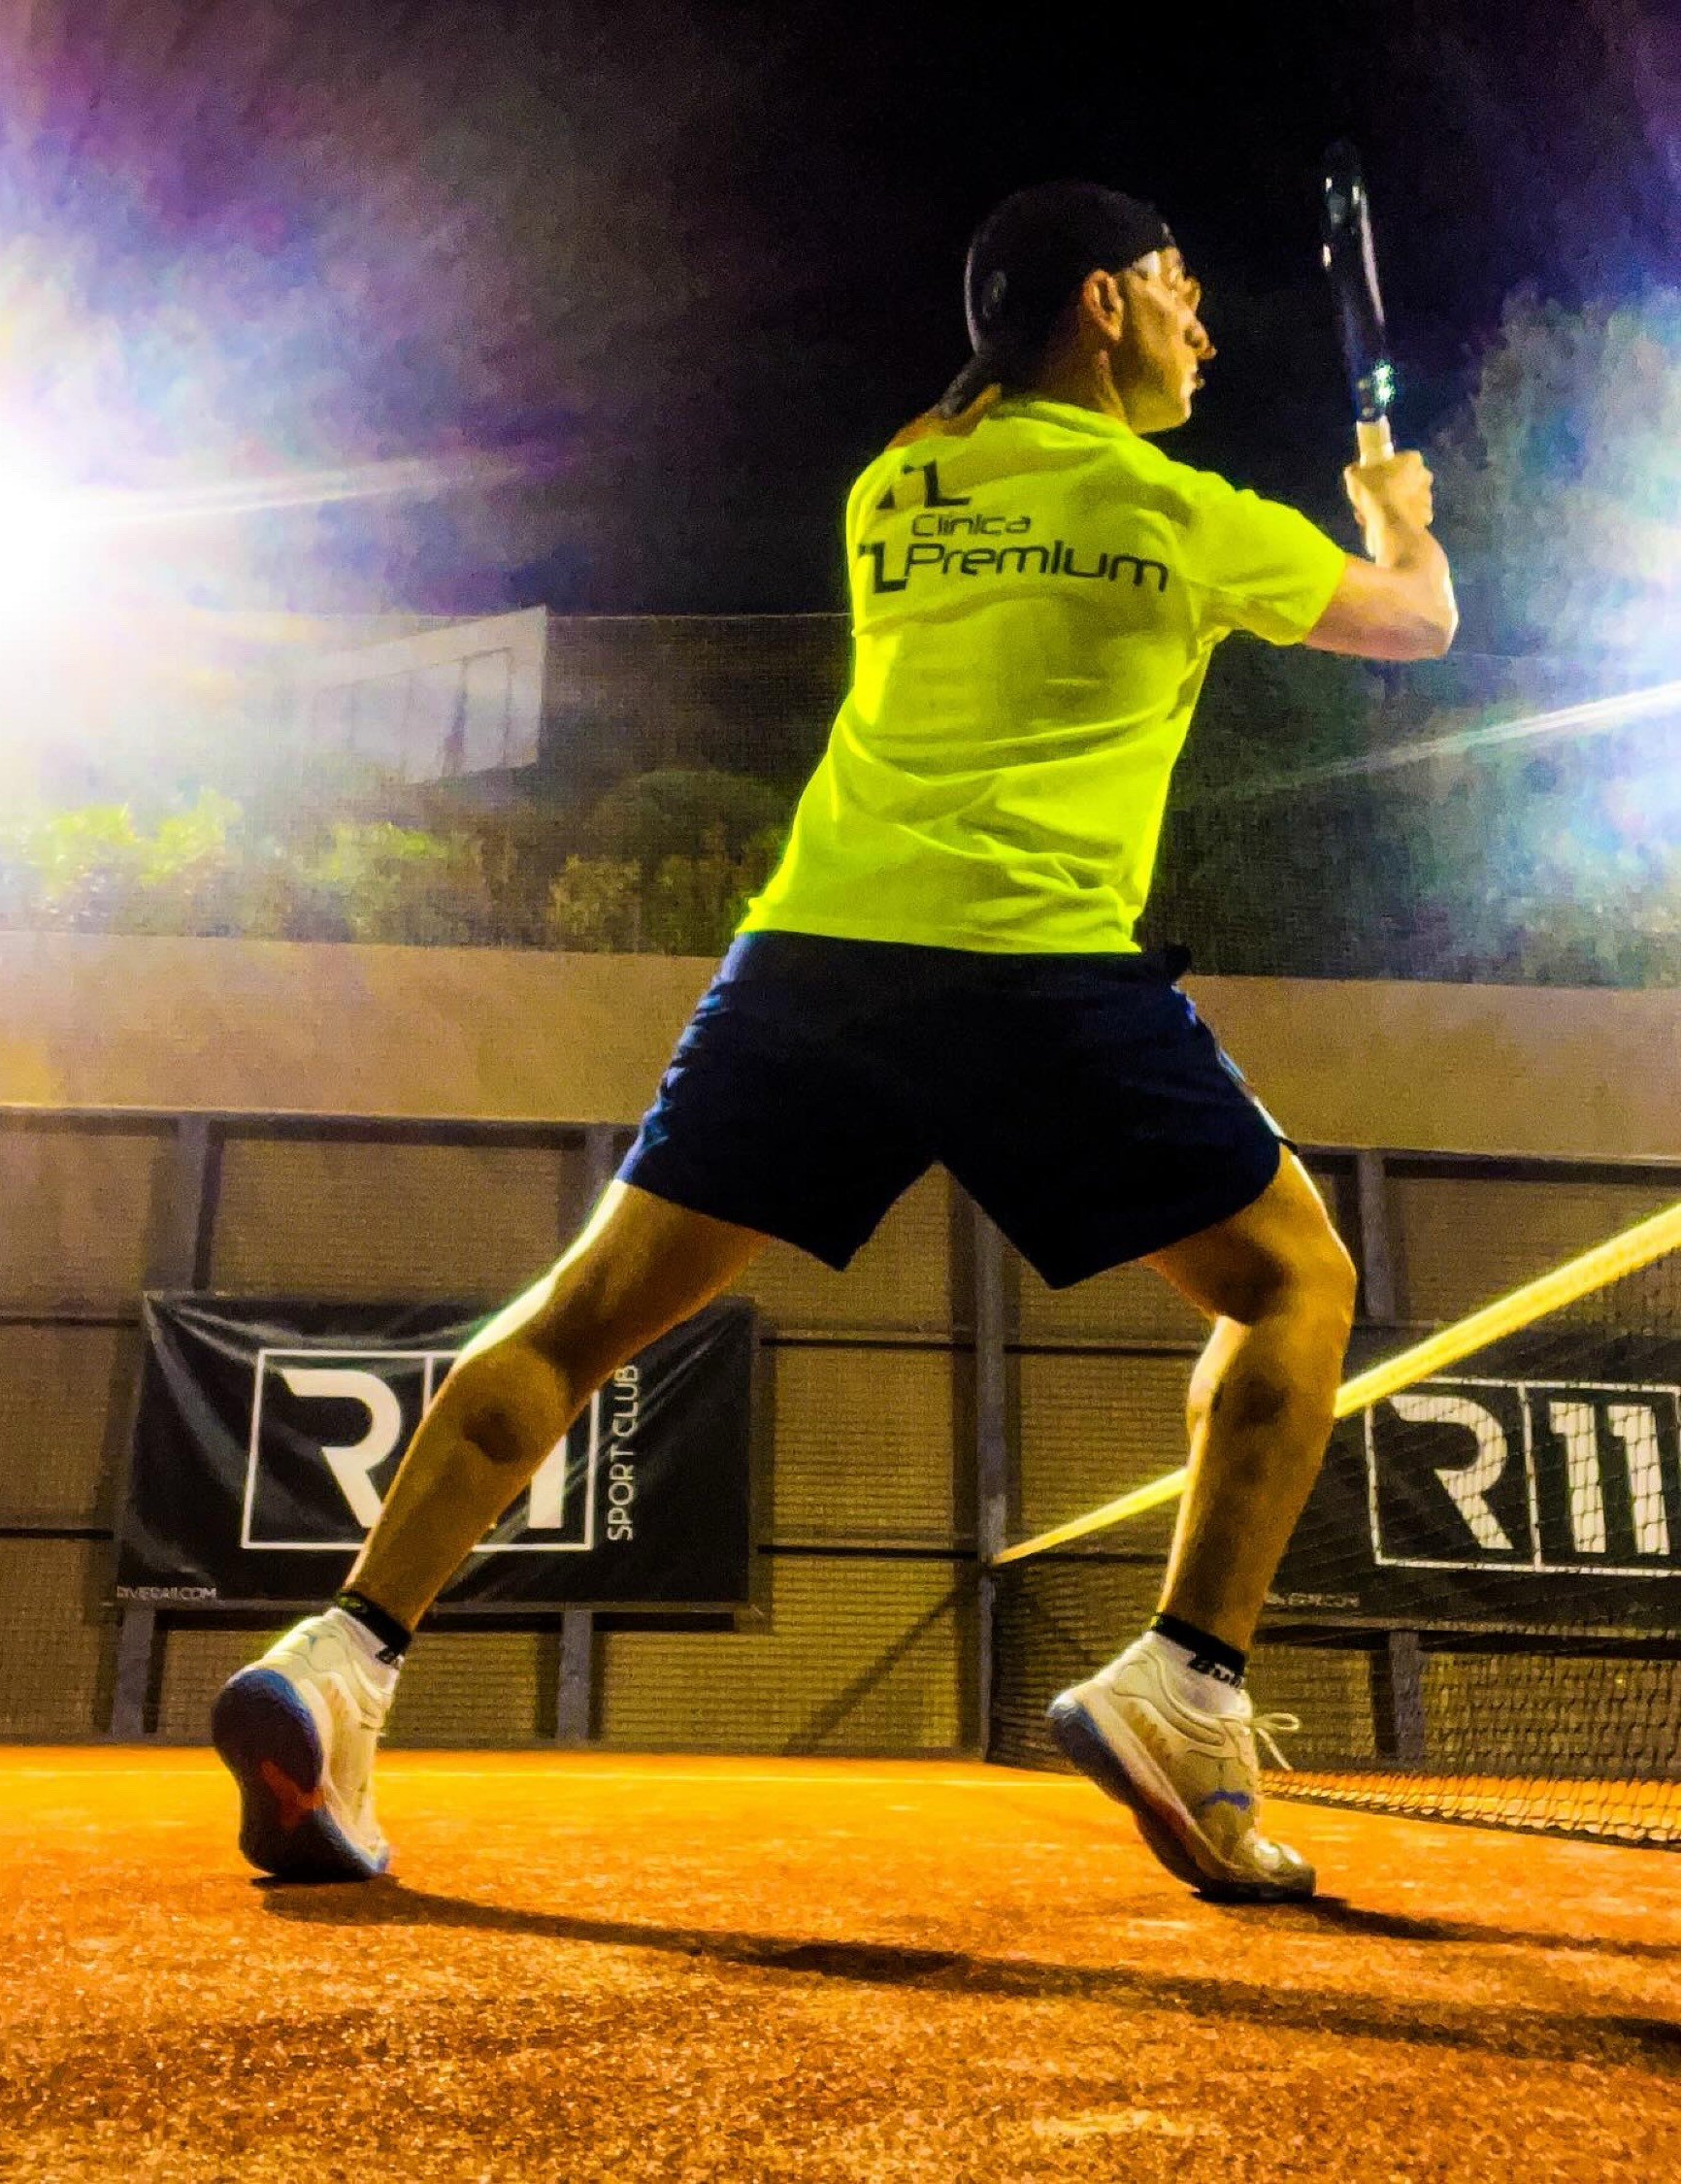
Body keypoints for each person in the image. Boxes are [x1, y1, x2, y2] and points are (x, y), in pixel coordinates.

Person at [212, 180, 1455, 1900]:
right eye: (1177, 286)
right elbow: (1418, 627)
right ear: (1100, 303)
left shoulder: (893, 485)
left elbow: (994, 465)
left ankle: (339, 1656)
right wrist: (1398, 521)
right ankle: (1187, 1680)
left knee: (576, 1318)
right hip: (1033, 965)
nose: (1205, 323)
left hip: (812, 958)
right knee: (1295, 1282)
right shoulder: (1180, 511)